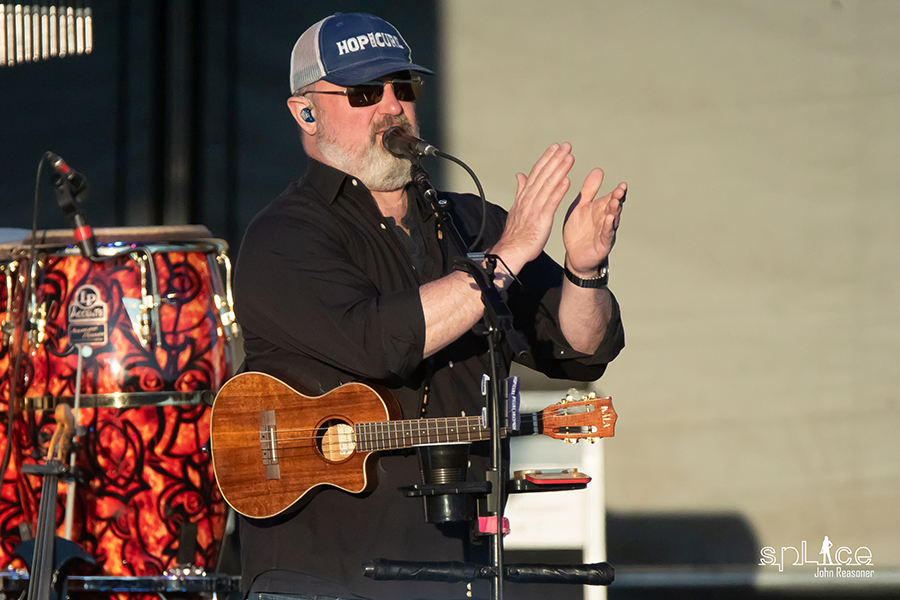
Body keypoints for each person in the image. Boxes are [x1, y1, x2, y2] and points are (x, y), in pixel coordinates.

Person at [233, 12, 626, 600]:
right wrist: (508, 254)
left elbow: (579, 350)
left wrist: (584, 270)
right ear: (306, 113)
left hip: (460, 573)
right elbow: (380, 342)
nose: (392, 106)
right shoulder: (283, 236)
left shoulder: (473, 223)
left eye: (404, 87)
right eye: (365, 92)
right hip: (324, 578)